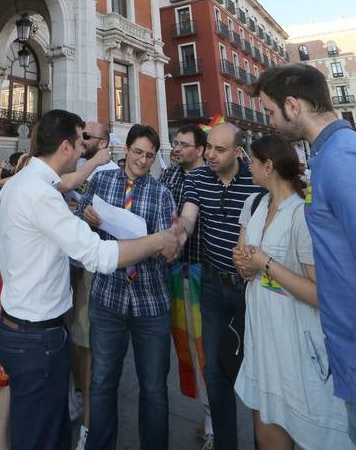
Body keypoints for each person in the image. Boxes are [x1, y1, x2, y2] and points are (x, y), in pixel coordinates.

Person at [0, 109, 184, 450]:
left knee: (44, 421)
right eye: (81, 141)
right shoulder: (43, 193)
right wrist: (158, 240)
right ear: (66, 146)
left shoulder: (26, 182)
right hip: (46, 329)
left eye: (150, 155)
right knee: (48, 422)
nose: (85, 148)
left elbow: (66, 185)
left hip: (138, 303)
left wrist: (170, 245)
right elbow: (97, 254)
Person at [253, 64, 356, 446]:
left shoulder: (340, 159)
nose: (270, 121)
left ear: (292, 105)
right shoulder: (329, 156)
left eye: (270, 111)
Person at [232, 133, 351, 449]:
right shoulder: (255, 203)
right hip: (261, 338)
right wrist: (244, 264)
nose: (248, 166)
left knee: (312, 431)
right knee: (266, 433)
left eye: (252, 162)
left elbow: (320, 294)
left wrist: (265, 262)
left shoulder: (303, 214)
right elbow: (246, 264)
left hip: (297, 345)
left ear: (268, 166)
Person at [76, 124, 174, 450]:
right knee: (102, 381)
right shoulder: (102, 180)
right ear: (126, 150)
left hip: (150, 303)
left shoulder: (162, 193)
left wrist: (162, 247)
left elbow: (166, 250)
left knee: (154, 388)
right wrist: (87, 217)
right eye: (138, 153)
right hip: (108, 299)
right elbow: (79, 216)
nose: (143, 161)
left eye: (149, 155)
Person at [179, 122, 261, 450]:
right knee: (214, 372)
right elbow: (188, 216)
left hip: (250, 290)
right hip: (212, 285)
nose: (210, 154)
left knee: (257, 371)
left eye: (219, 149)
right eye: (208, 147)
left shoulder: (257, 181)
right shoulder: (197, 177)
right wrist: (179, 233)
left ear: (238, 151)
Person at [159, 125, 212, 450]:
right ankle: (207, 413)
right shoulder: (169, 177)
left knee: (202, 347)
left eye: (183, 144)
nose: (176, 148)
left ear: (201, 149)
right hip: (172, 273)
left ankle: (213, 419)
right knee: (184, 345)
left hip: (200, 273)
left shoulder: (207, 178)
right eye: (175, 143)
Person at [67, 121, 118, 450]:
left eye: (86, 136)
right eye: (80, 135)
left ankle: (89, 414)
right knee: (72, 334)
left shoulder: (110, 172)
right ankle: (77, 393)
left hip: (93, 266)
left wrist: (85, 213)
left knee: (87, 341)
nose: (80, 140)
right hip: (70, 263)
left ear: (102, 142)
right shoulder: (78, 167)